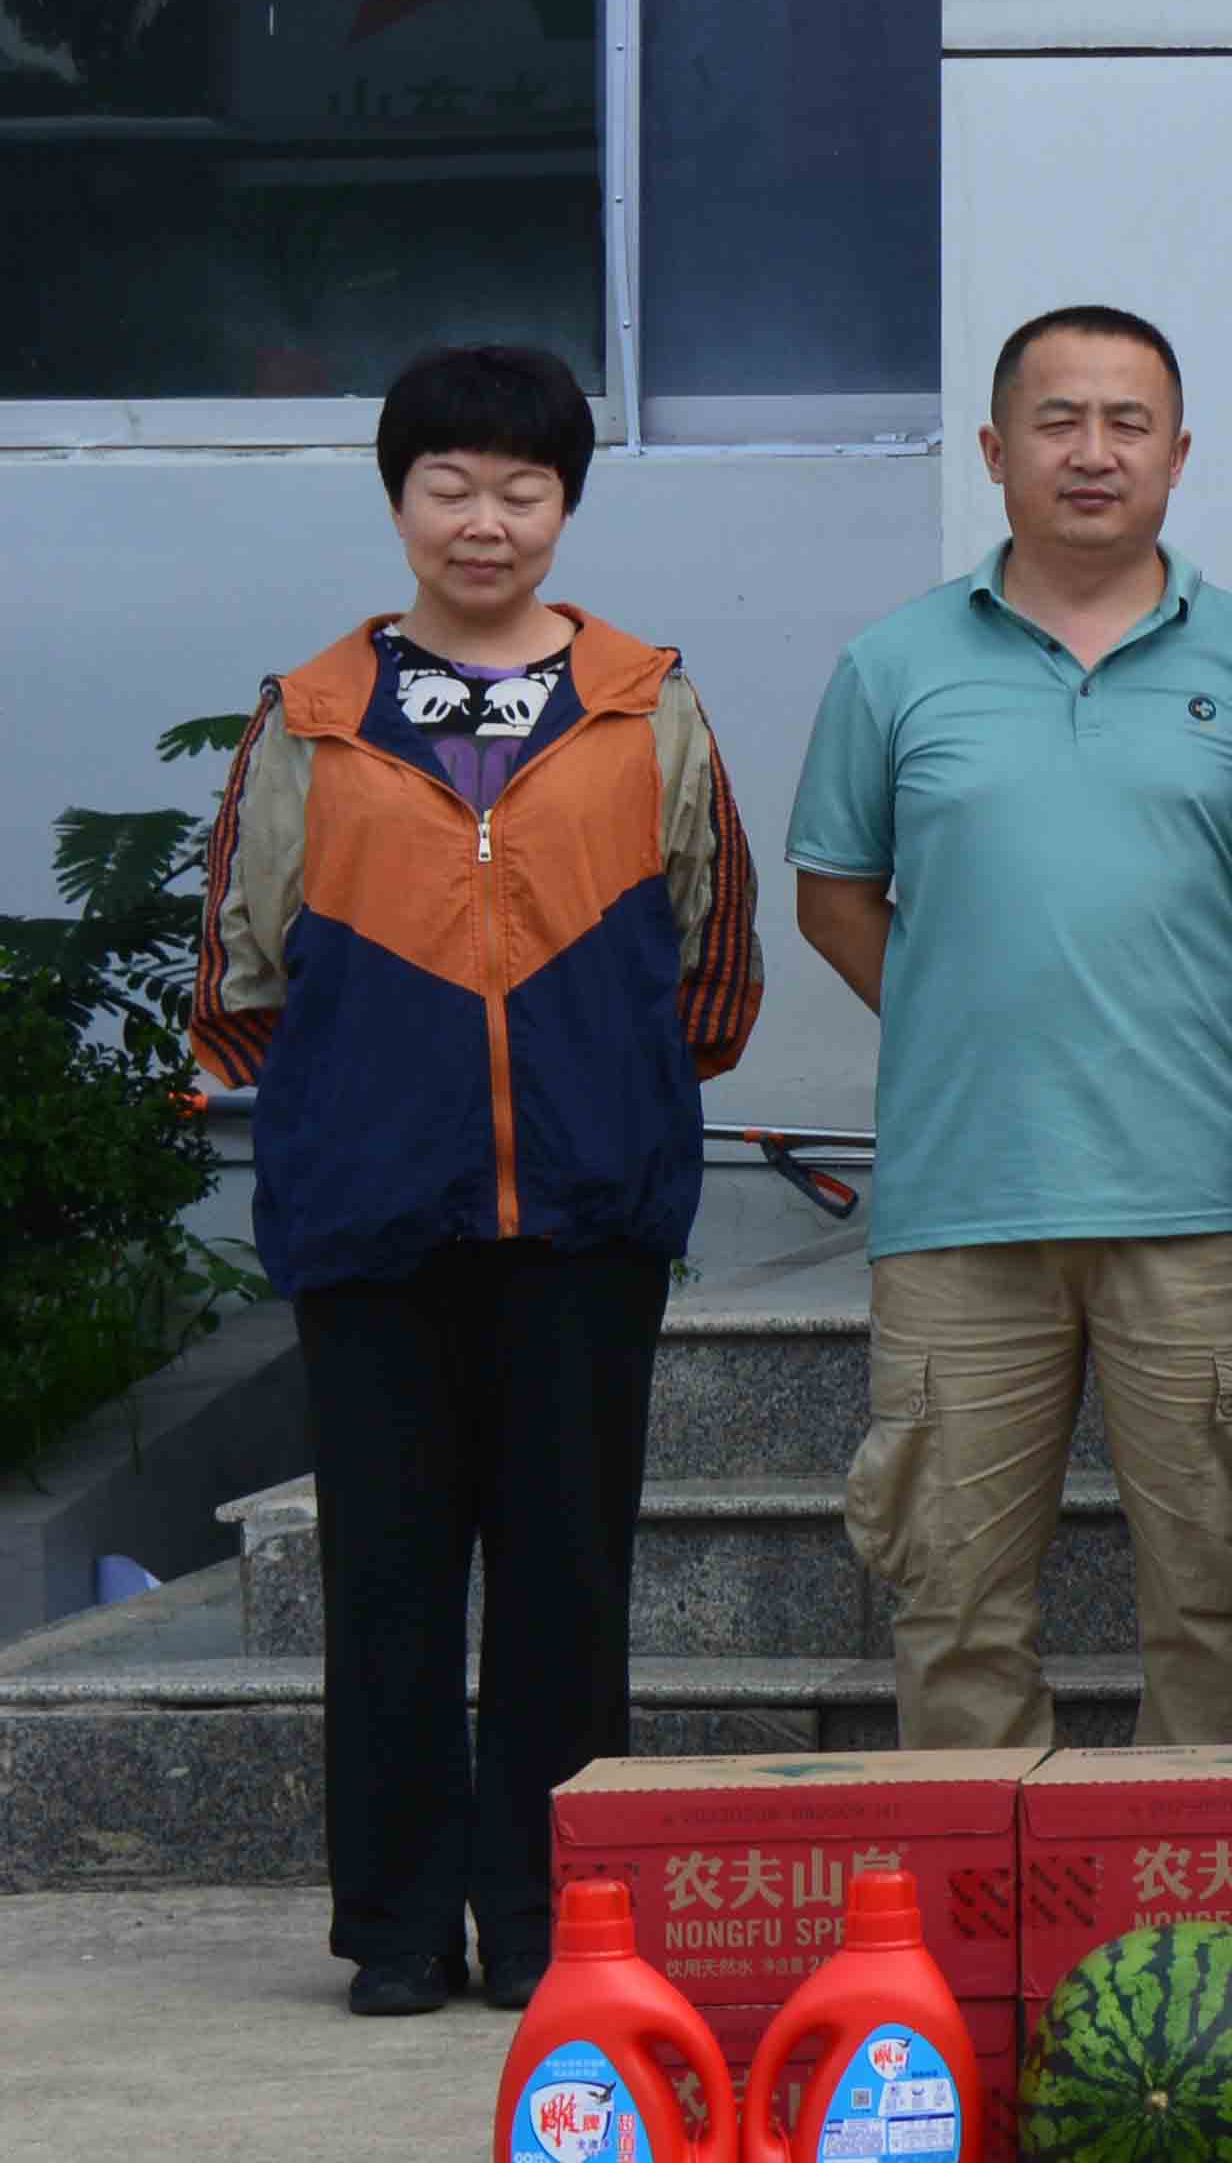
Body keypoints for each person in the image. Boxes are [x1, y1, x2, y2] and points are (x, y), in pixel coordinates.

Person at [191, 341, 764, 2017]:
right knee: (385, 1582)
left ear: (565, 506)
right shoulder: (310, 715)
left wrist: (606, 1099)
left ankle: (545, 1922)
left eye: (523, 488)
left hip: (586, 1219)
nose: (486, 520)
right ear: (398, 501)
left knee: (568, 1583)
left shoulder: (647, 703)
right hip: (372, 1222)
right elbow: (242, 975)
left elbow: (713, 966)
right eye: (450, 485)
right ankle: (393, 1928)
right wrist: (368, 1102)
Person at [788, 307, 1232, 1755]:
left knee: (1220, 1595)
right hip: (965, 1200)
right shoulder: (894, 664)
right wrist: (964, 1016)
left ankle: (1200, 1888)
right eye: (1058, 420)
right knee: (952, 1602)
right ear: (994, 449)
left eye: (1127, 423)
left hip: (1200, 1194)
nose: (1093, 451)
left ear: (1178, 454)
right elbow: (834, 898)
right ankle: (974, 1886)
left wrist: (1220, 1013)